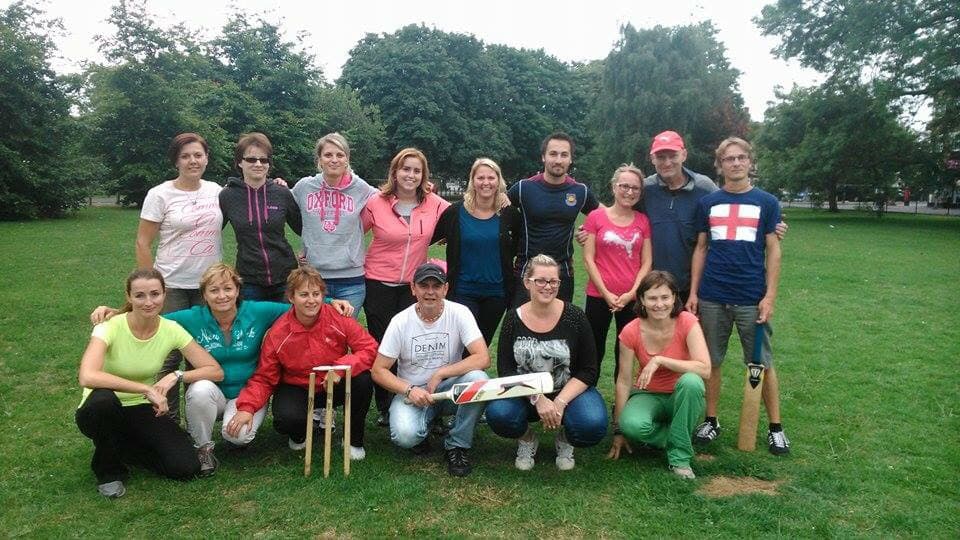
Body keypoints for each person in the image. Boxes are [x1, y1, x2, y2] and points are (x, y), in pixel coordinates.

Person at [88, 264, 355, 476]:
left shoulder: (258, 311)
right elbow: (150, 313)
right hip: (211, 391)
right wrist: (115, 311)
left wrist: (332, 301)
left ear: (238, 291)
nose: (222, 296)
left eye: (228, 288)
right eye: (214, 290)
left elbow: (301, 301)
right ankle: (202, 448)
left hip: (248, 394)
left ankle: (233, 431)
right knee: (200, 389)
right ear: (204, 295)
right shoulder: (191, 317)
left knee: (237, 437)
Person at [75, 269, 224, 498]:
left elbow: (214, 370)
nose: (148, 302)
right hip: (100, 408)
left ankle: (123, 447)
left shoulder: (170, 329)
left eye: (155, 294)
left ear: (164, 295)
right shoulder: (109, 326)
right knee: (104, 402)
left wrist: (176, 375)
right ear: (129, 297)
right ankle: (109, 471)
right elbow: (88, 376)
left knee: (185, 467)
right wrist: (146, 388)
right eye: (140, 295)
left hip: (141, 407)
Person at [686, 136, 790, 455]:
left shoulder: (767, 203)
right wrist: (693, 292)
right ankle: (711, 420)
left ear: (749, 162)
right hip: (713, 295)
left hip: (750, 297)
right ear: (720, 165)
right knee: (711, 361)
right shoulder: (709, 203)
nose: (735, 163)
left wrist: (770, 296)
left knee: (761, 363)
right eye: (728, 159)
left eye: (741, 158)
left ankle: (775, 428)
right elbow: (701, 248)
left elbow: (773, 250)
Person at [231, 266, 378, 458]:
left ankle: (353, 440)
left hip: (333, 381)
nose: (311, 300)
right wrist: (247, 408)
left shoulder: (337, 318)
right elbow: (265, 377)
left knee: (363, 381)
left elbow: (369, 348)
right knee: (286, 419)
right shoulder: (278, 333)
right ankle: (299, 434)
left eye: (316, 294)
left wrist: (341, 369)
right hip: (298, 386)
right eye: (304, 295)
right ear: (291, 297)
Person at [486, 254, 607, 471]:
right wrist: (537, 397)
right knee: (499, 414)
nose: (547, 286)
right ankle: (527, 439)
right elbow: (506, 371)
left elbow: (589, 370)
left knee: (592, 425)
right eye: (540, 280)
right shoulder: (513, 318)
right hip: (526, 395)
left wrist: (559, 402)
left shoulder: (575, 317)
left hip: (568, 392)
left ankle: (566, 439)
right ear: (527, 283)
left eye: (553, 281)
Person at [370, 262, 490, 477]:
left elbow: (482, 357)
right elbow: (378, 370)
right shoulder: (400, 322)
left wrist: (441, 373)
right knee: (405, 436)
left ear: (446, 289)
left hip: (446, 388)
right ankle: (424, 425)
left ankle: (457, 445)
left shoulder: (460, 313)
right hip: (414, 391)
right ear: (413, 288)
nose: (430, 292)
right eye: (424, 286)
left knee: (479, 379)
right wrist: (409, 390)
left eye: (437, 286)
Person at [137, 133, 223, 418]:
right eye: (185, 156)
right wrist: (151, 284)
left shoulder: (216, 191)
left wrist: (279, 185)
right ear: (176, 160)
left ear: (207, 158)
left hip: (208, 287)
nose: (192, 161)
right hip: (172, 285)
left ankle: (199, 425)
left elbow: (249, 197)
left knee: (201, 356)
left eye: (198, 155)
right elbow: (143, 242)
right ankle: (167, 421)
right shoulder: (160, 194)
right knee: (168, 355)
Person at [363, 148, 450, 425]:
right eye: (405, 169)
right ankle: (386, 408)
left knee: (414, 347)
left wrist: (502, 200)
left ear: (424, 176)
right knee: (382, 347)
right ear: (395, 172)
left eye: (416, 170)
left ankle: (425, 400)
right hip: (378, 283)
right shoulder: (376, 202)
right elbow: (350, 233)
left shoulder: (436, 204)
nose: (410, 175)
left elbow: (465, 214)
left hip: (415, 287)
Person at [607, 271, 710, 479]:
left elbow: (705, 369)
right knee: (632, 425)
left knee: (691, 381)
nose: (659, 304)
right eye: (652, 298)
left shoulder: (687, 321)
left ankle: (679, 458)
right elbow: (624, 381)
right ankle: (678, 434)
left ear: (674, 298)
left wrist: (660, 360)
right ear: (642, 300)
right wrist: (618, 430)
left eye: (665, 297)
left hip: (681, 396)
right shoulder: (630, 331)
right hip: (648, 394)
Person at [432, 157, 519, 345]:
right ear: (472, 180)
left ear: (499, 181)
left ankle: (473, 375)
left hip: (497, 294)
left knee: (482, 345)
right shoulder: (455, 213)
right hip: (463, 291)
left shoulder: (509, 214)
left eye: (491, 177)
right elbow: (426, 237)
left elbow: (520, 245)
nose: (486, 182)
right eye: (480, 178)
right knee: (461, 346)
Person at [508, 132, 599, 305]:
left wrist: (588, 229)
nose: (558, 160)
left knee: (560, 330)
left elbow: (607, 217)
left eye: (564, 155)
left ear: (571, 159)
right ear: (543, 157)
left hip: (562, 274)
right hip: (526, 273)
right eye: (553, 154)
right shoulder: (523, 188)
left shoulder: (580, 191)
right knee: (519, 328)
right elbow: (492, 210)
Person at [292, 133, 378, 315]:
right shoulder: (304, 187)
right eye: (328, 155)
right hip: (314, 277)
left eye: (340, 155)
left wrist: (423, 191)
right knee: (314, 334)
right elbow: (280, 203)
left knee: (342, 335)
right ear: (319, 160)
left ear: (347, 159)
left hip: (351, 280)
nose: (334, 160)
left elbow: (390, 198)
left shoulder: (361, 188)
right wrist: (277, 184)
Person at [582, 164, 652, 383]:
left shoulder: (643, 221)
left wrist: (632, 293)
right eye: (624, 186)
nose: (629, 192)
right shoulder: (595, 217)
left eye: (635, 188)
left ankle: (621, 404)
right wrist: (605, 293)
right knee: (593, 349)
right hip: (598, 296)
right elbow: (588, 259)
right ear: (614, 187)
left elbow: (647, 261)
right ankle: (587, 396)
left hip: (631, 298)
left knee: (626, 350)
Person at [220, 133, 302, 302]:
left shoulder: (281, 192)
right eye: (251, 159)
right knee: (253, 328)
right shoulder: (227, 196)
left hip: (286, 278)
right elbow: (210, 230)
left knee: (287, 327)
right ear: (239, 162)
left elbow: (303, 229)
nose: (258, 164)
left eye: (263, 160)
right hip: (249, 280)